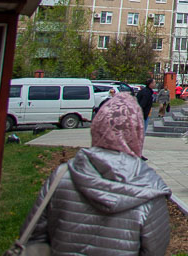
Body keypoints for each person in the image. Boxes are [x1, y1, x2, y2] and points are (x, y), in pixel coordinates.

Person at [20, 93, 171, 254]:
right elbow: (154, 250)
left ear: (97, 127)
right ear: (137, 131)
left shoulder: (62, 177)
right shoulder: (150, 188)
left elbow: (33, 236)